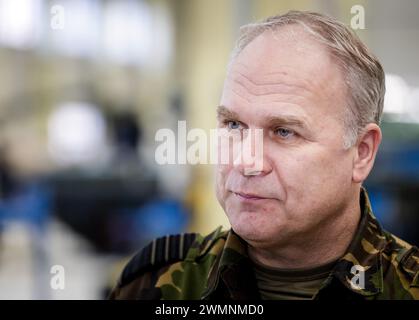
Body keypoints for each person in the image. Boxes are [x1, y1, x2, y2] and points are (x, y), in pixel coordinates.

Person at [109, 11, 419, 300]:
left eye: (284, 132)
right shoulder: (155, 284)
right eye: (233, 124)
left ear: (362, 153)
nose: (247, 162)